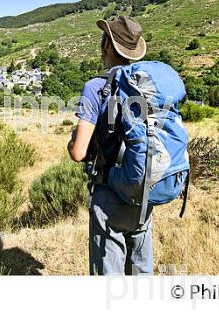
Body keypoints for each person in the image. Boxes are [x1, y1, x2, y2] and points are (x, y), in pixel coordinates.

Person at [67, 15, 153, 275]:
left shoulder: (96, 88)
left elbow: (79, 153)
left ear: (107, 45)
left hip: (110, 195)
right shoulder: (147, 86)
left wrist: (73, 140)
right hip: (144, 191)